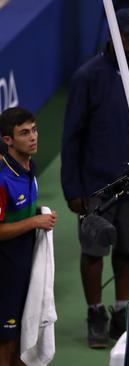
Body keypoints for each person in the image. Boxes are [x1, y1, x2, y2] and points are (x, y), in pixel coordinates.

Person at [60, 8, 129, 348]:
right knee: (93, 252)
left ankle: (120, 313)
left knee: (127, 252)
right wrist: (73, 189)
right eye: (128, 36)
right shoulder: (87, 77)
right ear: (112, 35)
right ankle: (95, 314)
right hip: (96, 188)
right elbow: (71, 137)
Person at [0, 107, 57, 366]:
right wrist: (35, 220)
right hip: (5, 273)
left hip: (25, 267)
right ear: (7, 140)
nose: (33, 137)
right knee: (7, 341)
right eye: (24, 133)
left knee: (23, 335)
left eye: (34, 130)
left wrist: (37, 214)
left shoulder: (27, 167)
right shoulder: (2, 179)